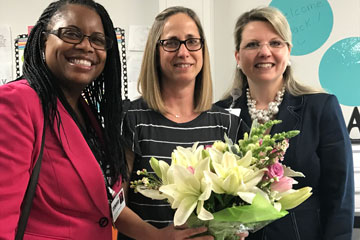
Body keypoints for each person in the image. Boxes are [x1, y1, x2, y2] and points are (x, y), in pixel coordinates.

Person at [0, 1, 213, 239]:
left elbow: (108, 200)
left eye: (98, 40)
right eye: (71, 34)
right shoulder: (17, 102)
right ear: (42, 41)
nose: (85, 46)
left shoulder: (87, 116)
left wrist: (157, 236)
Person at [216, 6, 354, 240]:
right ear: (238, 56)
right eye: (252, 44)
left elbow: (340, 197)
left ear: (288, 51)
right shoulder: (219, 113)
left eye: (275, 43)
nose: (264, 52)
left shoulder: (320, 108)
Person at [120, 6, 248, 240]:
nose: (183, 51)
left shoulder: (228, 124)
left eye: (192, 41)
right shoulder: (130, 119)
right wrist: (156, 237)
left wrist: (233, 229)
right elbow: (113, 202)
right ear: (154, 52)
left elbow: (238, 202)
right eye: (171, 43)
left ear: (202, 49)